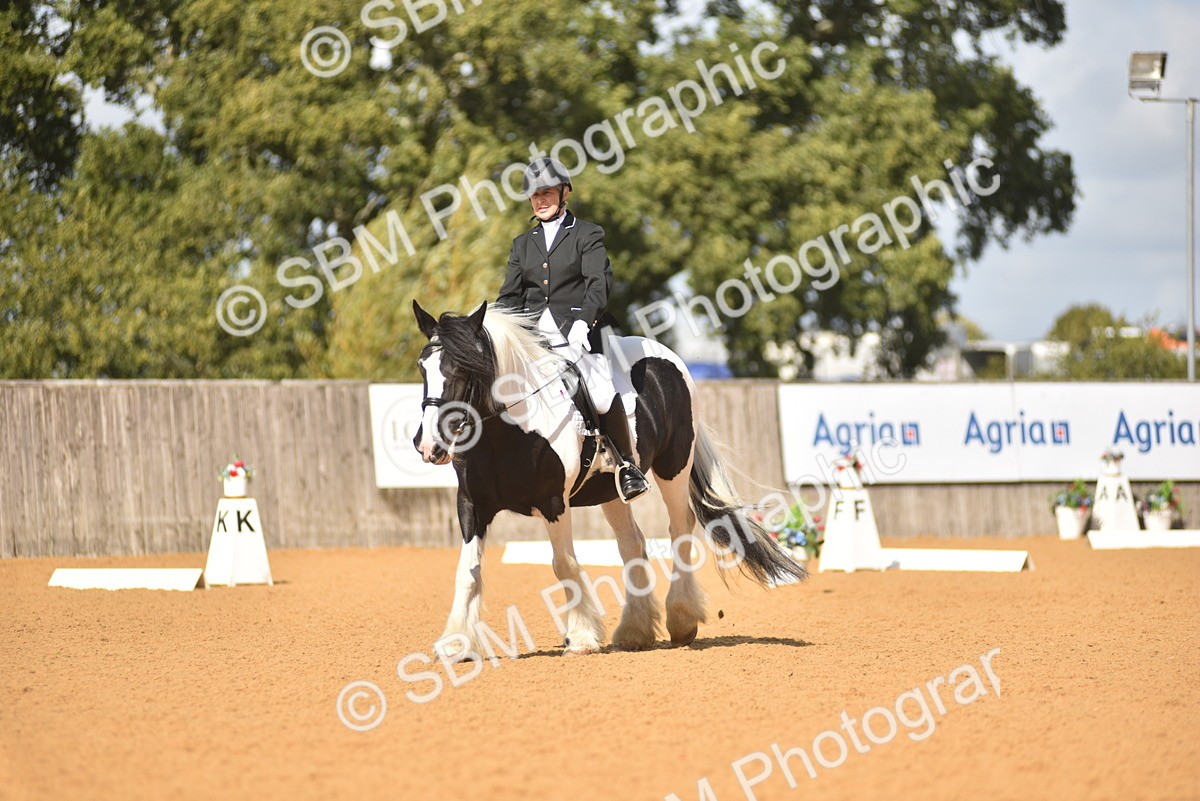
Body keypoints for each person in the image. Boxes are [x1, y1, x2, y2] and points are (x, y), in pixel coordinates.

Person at [496, 157, 650, 503]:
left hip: (577, 330)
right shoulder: (522, 243)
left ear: (564, 193)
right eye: (534, 196)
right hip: (534, 338)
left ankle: (626, 466)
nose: (540, 201)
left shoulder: (587, 233)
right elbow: (510, 296)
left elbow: (599, 283)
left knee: (597, 390)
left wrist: (583, 322)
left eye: (547, 193)